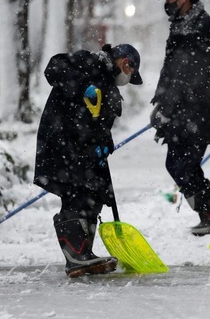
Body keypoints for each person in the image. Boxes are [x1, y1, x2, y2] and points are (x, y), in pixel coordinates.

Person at [34, 43, 143, 278]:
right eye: (130, 74)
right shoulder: (88, 61)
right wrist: (83, 86)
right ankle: (76, 256)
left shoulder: (109, 85)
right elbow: (53, 68)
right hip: (64, 143)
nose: (127, 79)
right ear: (126, 63)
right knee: (75, 193)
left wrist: (105, 144)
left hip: (85, 149)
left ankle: (85, 253)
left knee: (96, 194)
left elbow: (100, 122)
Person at [152, 0, 210, 236]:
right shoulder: (182, 23)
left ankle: (208, 213)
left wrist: (170, 107)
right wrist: (160, 102)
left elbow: (191, 75)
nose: (168, 3)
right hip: (182, 110)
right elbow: (171, 68)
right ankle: (207, 210)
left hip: (198, 111)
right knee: (176, 164)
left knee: (184, 164)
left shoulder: (200, 27)